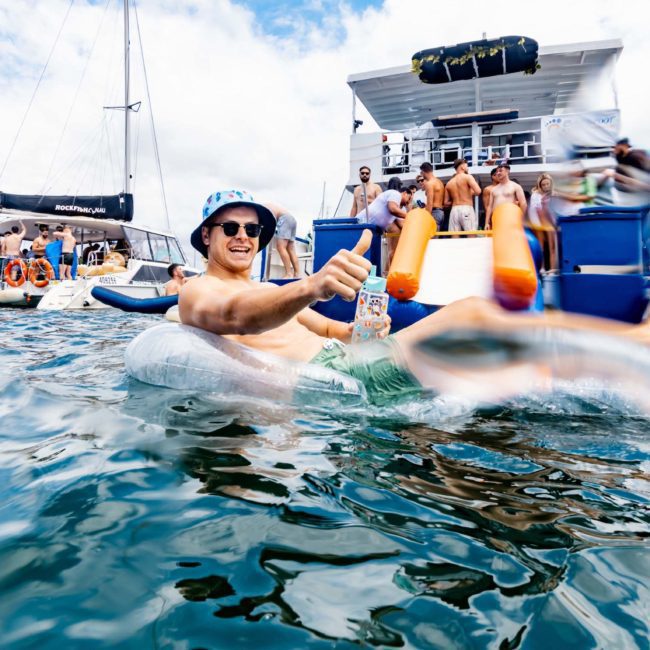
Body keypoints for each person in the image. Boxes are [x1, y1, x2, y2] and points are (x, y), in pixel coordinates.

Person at [179, 189, 650, 405]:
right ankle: (630, 343)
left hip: (347, 360)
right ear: (207, 235)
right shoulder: (200, 290)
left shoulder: (264, 289)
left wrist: (361, 327)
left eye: (253, 229)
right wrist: (312, 285)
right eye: (231, 227)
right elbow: (235, 317)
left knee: (475, 316)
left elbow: (329, 329)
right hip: (329, 380)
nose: (244, 237)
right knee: (476, 318)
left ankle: (603, 351)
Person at [357, 186, 412, 262]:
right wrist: (410, 215)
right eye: (409, 199)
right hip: (361, 224)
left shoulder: (401, 209)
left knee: (368, 257)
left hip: (374, 231)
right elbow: (392, 209)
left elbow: (402, 225)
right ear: (405, 193)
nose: (408, 203)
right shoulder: (395, 194)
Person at [528, 173, 557, 270]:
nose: (545, 186)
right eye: (543, 184)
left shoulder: (555, 194)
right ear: (540, 185)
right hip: (539, 222)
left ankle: (553, 269)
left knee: (552, 247)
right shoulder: (535, 195)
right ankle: (542, 268)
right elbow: (533, 211)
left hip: (552, 222)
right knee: (540, 247)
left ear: (551, 184)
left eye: (547, 184)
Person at [264, 202, 301, 278]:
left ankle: (289, 273)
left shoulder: (265, 208)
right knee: (291, 249)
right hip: (292, 219)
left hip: (284, 219)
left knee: (281, 247)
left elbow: (272, 221)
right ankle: (297, 274)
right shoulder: (270, 205)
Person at [444, 158, 482, 233]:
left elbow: (445, 203)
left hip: (454, 210)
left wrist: (456, 200)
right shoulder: (467, 177)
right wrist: (469, 193)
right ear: (462, 167)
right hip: (466, 208)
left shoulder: (449, 183)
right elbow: (478, 191)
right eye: (467, 166)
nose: (467, 168)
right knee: (471, 235)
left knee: (455, 236)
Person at [485, 164, 527, 229]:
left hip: (511, 218)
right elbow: (489, 207)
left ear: (507, 171)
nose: (498, 173)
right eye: (497, 172)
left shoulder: (516, 186)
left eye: (500, 171)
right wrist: (486, 223)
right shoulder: (493, 190)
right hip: (497, 219)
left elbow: (523, 203)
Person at [420, 162, 445, 228]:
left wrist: (426, 217)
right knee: (436, 236)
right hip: (441, 212)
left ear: (423, 172)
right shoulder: (439, 182)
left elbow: (430, 203)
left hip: (434, 212)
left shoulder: (429, 184)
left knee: (431, 237)